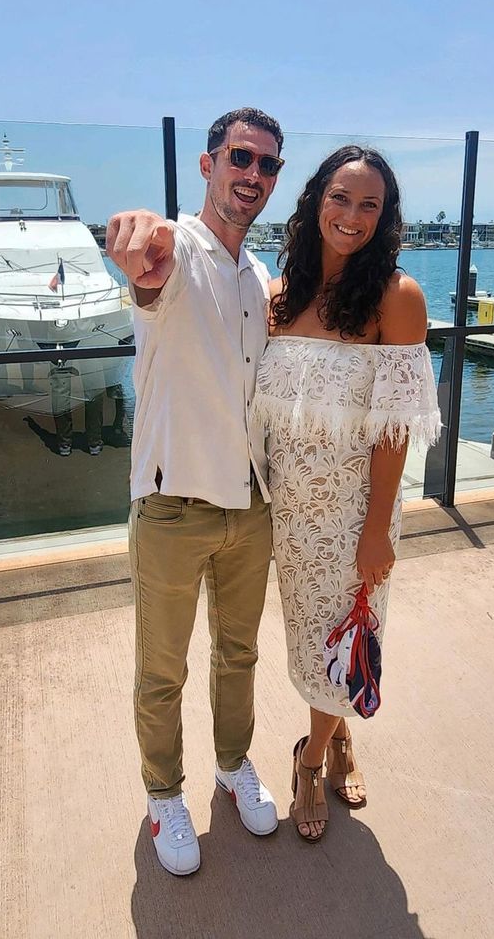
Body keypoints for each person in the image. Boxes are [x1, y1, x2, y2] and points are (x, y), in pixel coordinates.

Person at [105, 108, 285, 876]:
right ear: (210, 164)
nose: (252, 173)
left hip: (250, 504)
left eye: (268, 164)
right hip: (174, 504)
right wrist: (138, 252)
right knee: (162, 668)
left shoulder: (258, 275)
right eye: (240, 156)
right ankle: (162, 794)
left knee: (238, 654)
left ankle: (232, 761)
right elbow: (148, 270)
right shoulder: (175, 249)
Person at [252, 145, 441, 842]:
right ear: (314, 201)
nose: (351, 215)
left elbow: (393, 427)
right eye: (340, 197)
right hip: (290, 511)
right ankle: (337, 736)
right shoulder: (280, 292)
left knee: (349, 626)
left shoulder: (396, 297)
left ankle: (308, 759)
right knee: (310, 636)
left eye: (369, 204)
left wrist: (376, 530)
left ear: (385, 216)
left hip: (355, 511)